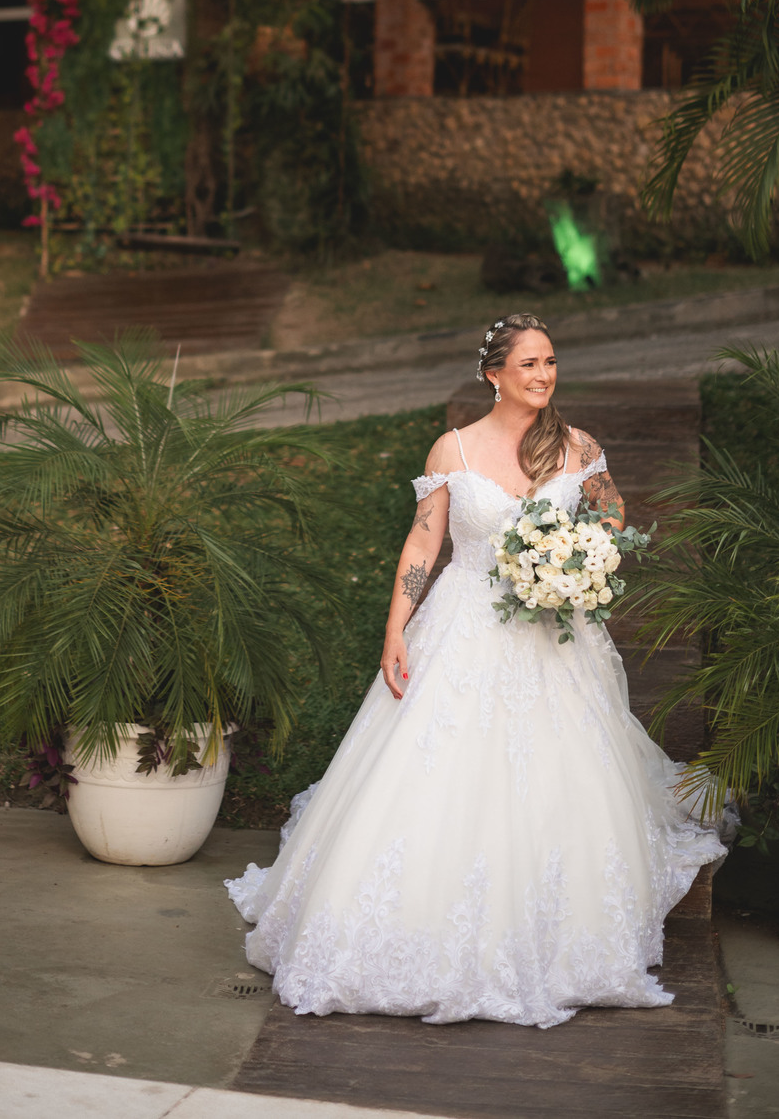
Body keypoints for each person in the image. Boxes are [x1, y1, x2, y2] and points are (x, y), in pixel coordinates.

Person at [226, 311, 726, 1030]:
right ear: (494, 374)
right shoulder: (452, 450)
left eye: (551, 362)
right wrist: (396, 629)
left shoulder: (577, 445)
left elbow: (612, 510)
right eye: (530, 364)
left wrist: (580, 554)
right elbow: (425, 542)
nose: (545, 376)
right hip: (463, 626)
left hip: (553, 637)